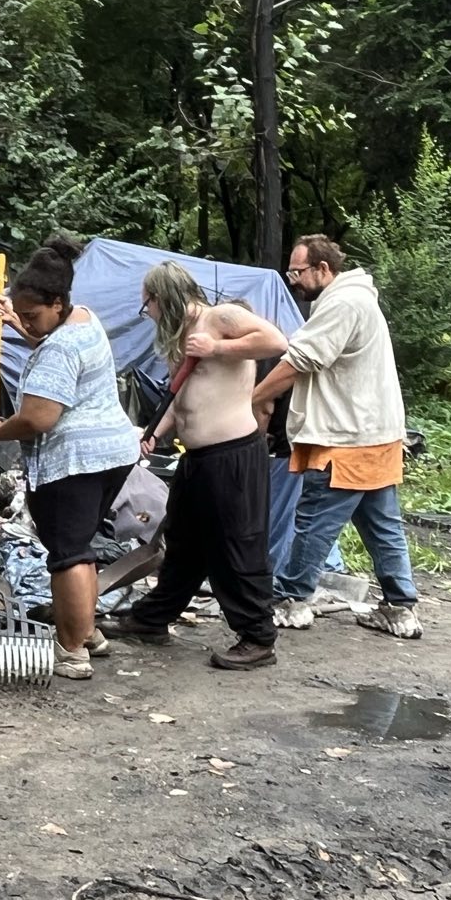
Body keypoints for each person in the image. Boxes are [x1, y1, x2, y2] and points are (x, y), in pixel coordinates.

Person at [0, 235, 140, 680]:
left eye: (32, 314)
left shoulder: (59, 347)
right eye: (21, 313)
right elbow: (48, 344)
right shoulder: (84, 320)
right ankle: (88, 632)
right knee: (80, 544)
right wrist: (15, 323)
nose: (27, 321)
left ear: (57, 302)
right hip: (112, 453)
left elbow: (38, 417)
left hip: (74, 460)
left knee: (67, 554)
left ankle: (70, 652)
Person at [113, 263, 288, 669]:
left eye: (147, 307)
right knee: (183, 543)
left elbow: (275, 341)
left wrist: (218, 349)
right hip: (197, 459)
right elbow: (183, 397)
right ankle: (152, 619)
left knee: (235, 545)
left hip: (232, 455)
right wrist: (158, 431)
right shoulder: (180, 338)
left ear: (163, 297)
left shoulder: (221, 318)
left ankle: (258, 638)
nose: (149, 314)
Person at [250, 235, 422, 638]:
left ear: (323, 269)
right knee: (382, 525)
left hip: (345, 439)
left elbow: (302, 358)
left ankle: (293, 600)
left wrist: (253, 398)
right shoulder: (354, 299)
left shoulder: (343, 303)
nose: (293, 280)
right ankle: (400, 608)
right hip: (375, 434)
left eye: (298, 271)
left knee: (314, 521)